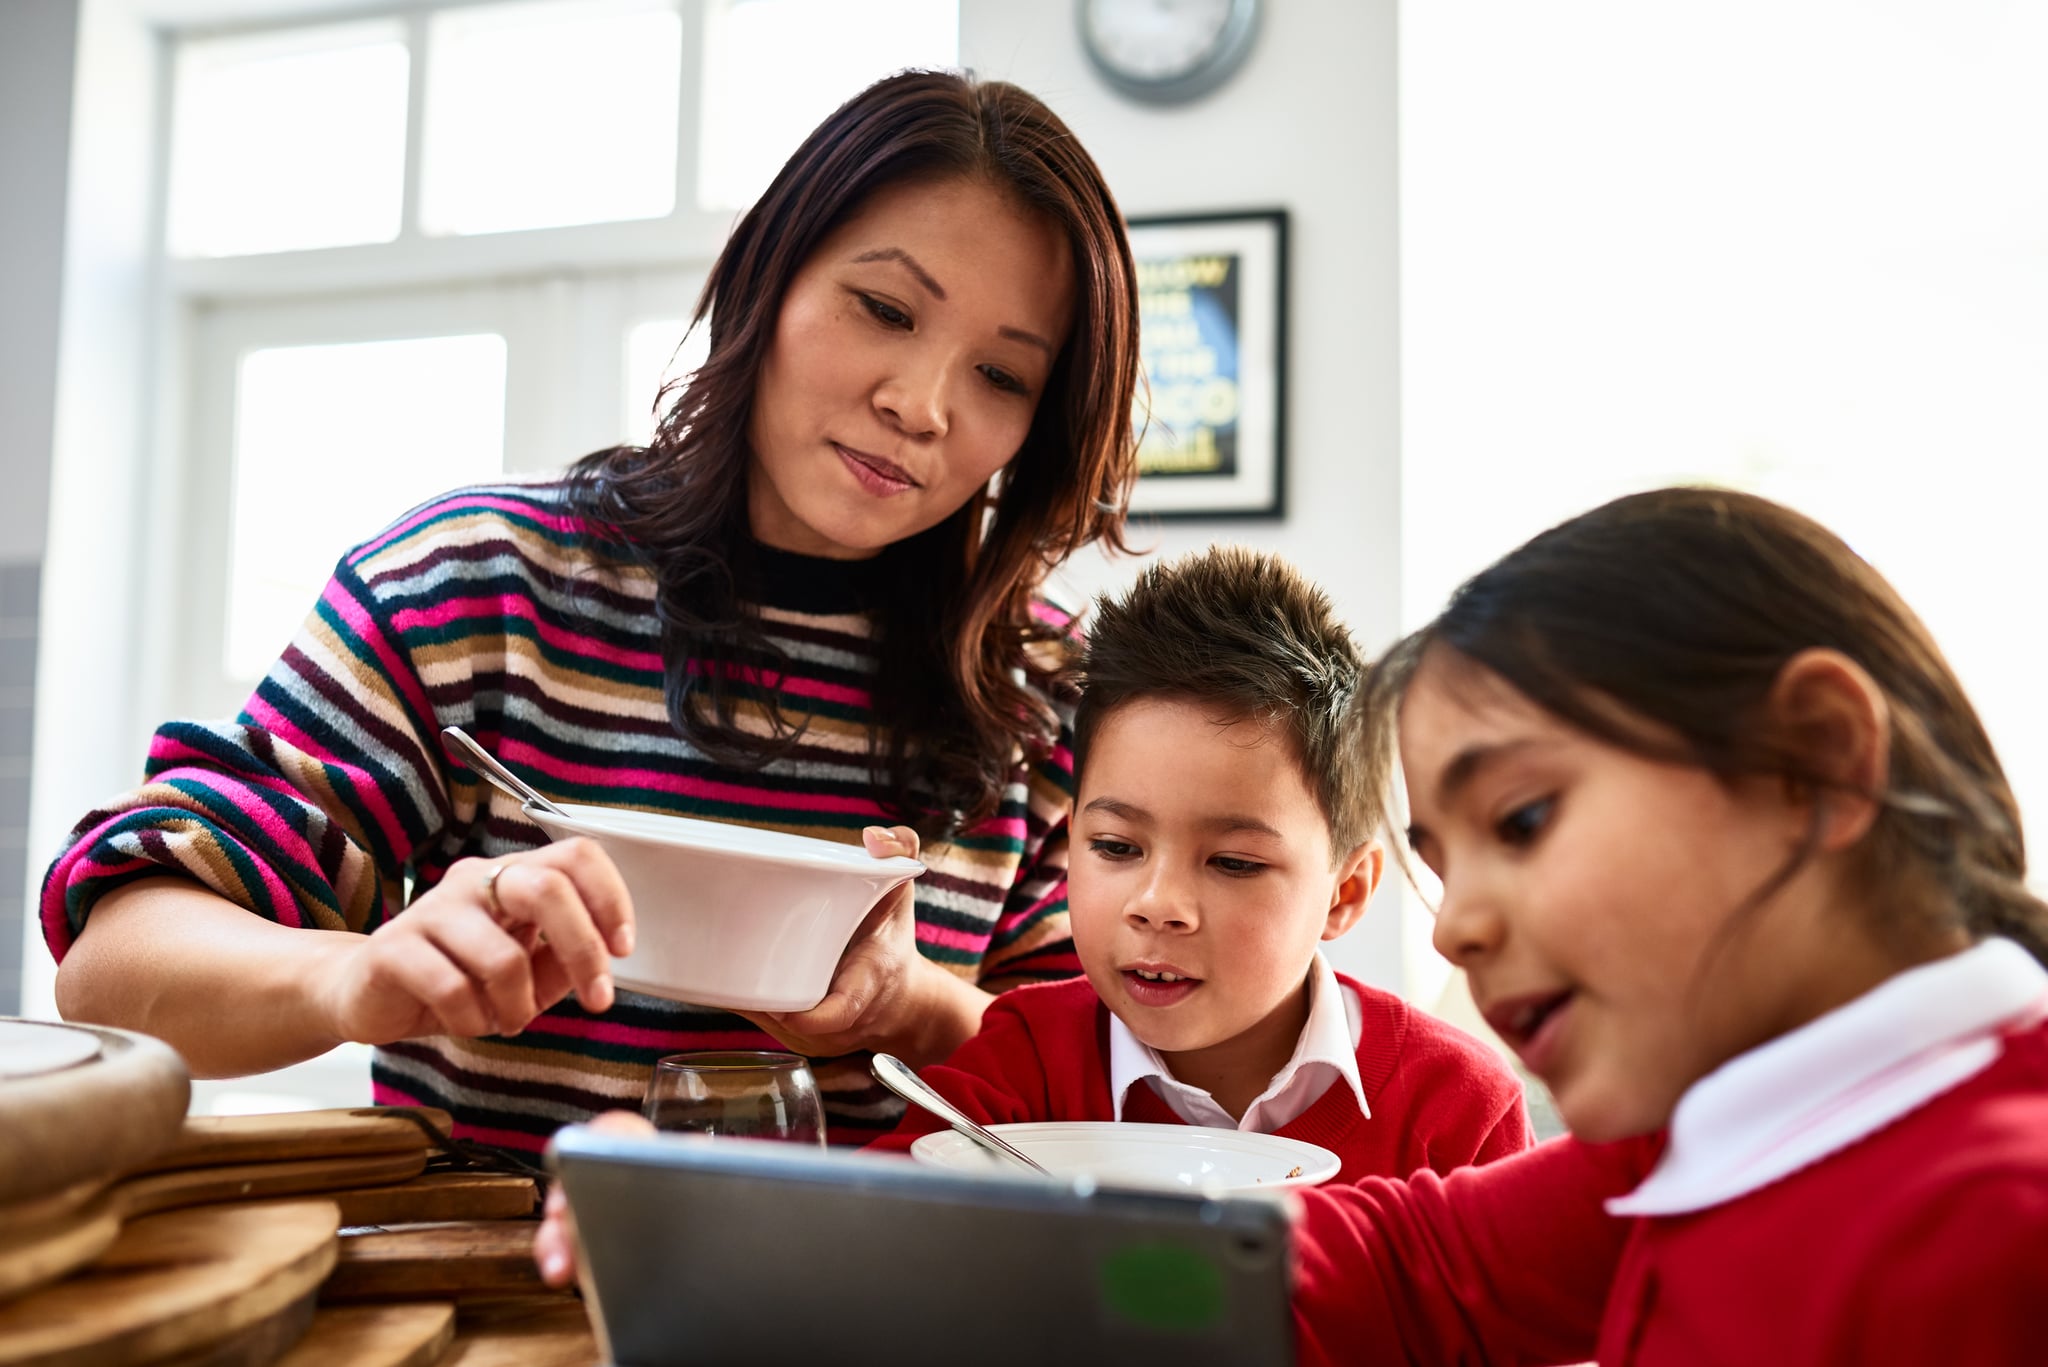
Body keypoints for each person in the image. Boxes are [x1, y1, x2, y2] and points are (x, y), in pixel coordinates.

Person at [42, 70, 1141, 1156]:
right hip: (486, 1305)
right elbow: (115, 966)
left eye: (1001, 374)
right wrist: (355, 975)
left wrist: (909, 1004)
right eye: (884, 309)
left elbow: (1113, 1089)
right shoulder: (476, 583)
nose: (921, 403)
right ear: (768, 277)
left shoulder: (1047, 694)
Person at [1288, 487, 2048, 1365]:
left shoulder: (1998, 1234)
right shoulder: (1692, 1134)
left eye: (1523, 820)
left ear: (1817, 761)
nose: (1452, 929)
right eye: (1440, 869)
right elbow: (1413, 1269)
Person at [866, 546, 1532, 1179]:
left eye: (1234, 862)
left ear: (1344, 892)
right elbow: (868, 1246)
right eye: (1117, 847)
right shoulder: (1023, 1060)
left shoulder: (1460, 1110)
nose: (1157, 902)